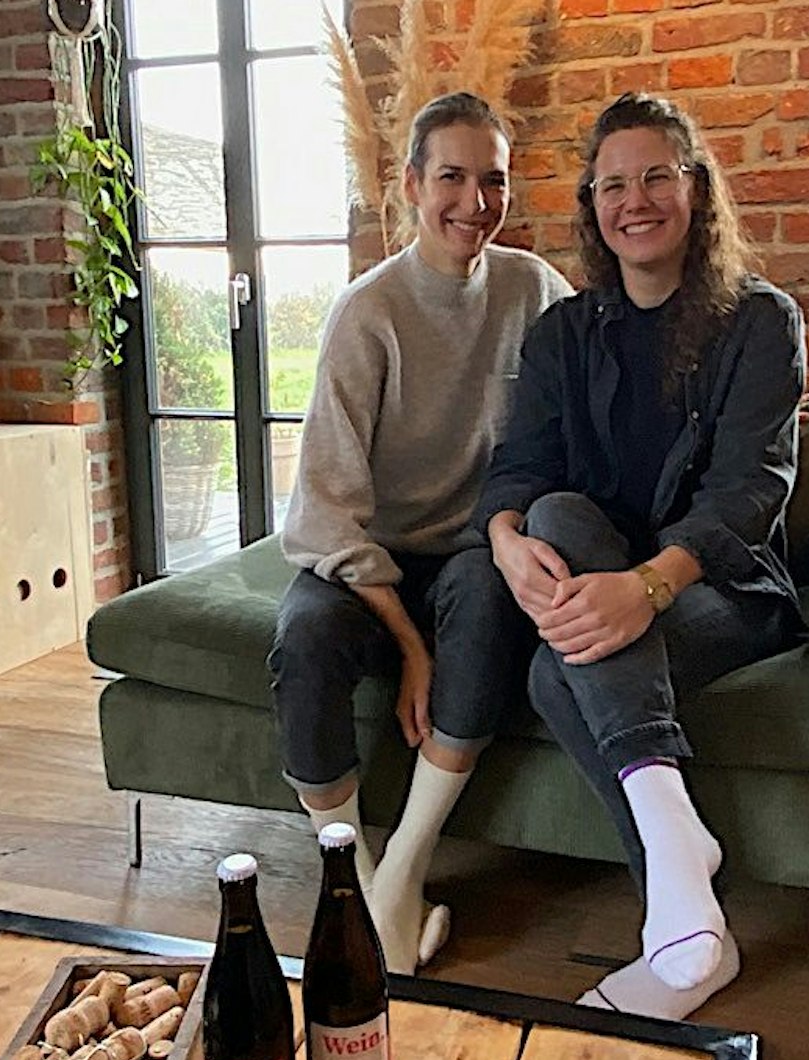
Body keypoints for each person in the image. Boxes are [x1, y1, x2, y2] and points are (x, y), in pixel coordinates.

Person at [478, 93, 805, 1020]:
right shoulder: (564, 334)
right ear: (593, 204)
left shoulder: (760, 321)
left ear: (695, 189)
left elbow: (754, 489)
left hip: (723, 589)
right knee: (554, 510)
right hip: (597, 568)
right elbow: (520, 468)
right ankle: (685, 886)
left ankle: (680, 910)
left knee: (554, 675)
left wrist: (650, 584)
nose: (636, 200)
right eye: (613, 183)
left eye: (657, 176)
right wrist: (506, 542)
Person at [273, 92, 573, 975]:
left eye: (493, 181)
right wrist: (411, 646)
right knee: (303, 638)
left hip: (477, 547)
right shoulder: (366, 313)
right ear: (411, 184)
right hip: (370, 558)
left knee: (487, 597)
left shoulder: (534, 290)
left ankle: (402, 873)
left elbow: (571, 422)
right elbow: (326, 509)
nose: (474, 203)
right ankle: (357, 884)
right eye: (452, 177)